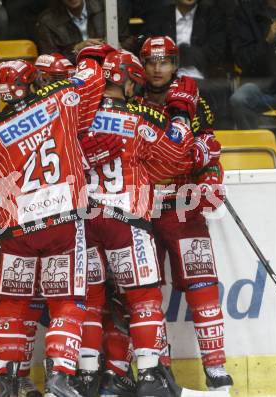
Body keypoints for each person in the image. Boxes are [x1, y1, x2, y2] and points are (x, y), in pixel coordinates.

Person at [0, 56, 118, 397]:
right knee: (67, 299)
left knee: (12, 303)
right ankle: (60, 379)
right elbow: (93, 77)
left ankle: (7, 382)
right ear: (33, 81)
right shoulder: (60, 98)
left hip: (16, 227)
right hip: (62, 218)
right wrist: (89, 58)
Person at [77, 49, 209, 397]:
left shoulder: (73, 114)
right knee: (144, 298)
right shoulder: (140, 116)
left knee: (90, 300)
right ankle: (150, 374)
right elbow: (178, 155)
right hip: (127, 219)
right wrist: (182, 112)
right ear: (132, 81)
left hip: (82, 223)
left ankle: (89, 376)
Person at [138, 35, 233, 391]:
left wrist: (209, 179)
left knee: (203, 285)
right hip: (142, 212)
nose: (158, 68)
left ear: (175, 63)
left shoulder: (194, 99)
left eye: (165, 61)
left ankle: (216, 367)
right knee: (142, 294)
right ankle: (159, 371)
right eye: (151, 61)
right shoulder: (131, 101)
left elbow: (210, 146)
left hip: (183, 209)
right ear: (142, 65)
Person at [139, 0, 233, 128]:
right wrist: (185, 54)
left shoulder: (213, 15)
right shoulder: (158, 15)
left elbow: (217, 53)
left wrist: (182, 53)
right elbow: (147, 49)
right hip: (165, 77)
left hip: (203, 80)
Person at [229, 0, 276, 129]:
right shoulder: (246, 11)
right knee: (239, 99)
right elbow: (243, 60)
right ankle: (252, 147)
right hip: (259, 85)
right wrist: (267, 41)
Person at [35, 0, 132, 63]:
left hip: (109, 65)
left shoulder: (107, 7)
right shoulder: (47, 21)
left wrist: (117, 46)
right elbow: (49, 61)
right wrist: (76, 50)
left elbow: (127, 40)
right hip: (73, 75)